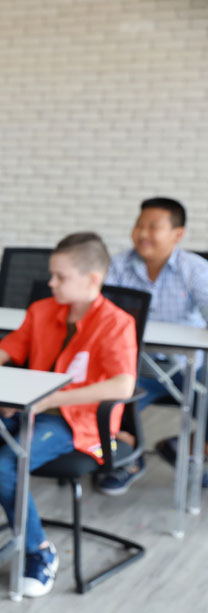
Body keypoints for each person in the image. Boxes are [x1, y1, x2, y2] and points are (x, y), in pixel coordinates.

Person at [0, 232, 137, 597]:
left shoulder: (117, 322)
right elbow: (5, 350)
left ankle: (39, 551)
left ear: (92, 279)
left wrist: (50, 398)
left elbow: (123, 386)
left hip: (77, 422)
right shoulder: (42, 310)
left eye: (60, 277)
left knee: (4, 467)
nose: (50, 283)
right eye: (52, 275)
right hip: (27, 409)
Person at [99, 197, 208, 494]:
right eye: (139, 225)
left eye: (153, 226)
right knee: (107, 404)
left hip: (186, 368)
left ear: (178, 234)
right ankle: (126, 459)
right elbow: (98, 316)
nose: (143, 233)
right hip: (135, 367)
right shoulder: (118, 265)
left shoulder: (194, 269)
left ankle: (186, 449)